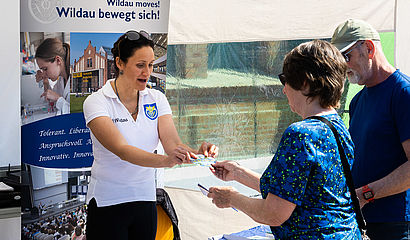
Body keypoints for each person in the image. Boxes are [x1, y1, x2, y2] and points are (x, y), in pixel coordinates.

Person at [208, 40, 360, 239]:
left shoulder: (300, 134)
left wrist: (231, 198)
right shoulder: (338, 127)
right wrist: (238, 173)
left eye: (285, 80)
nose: (283, 89)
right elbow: (292, 190)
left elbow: (273, 213)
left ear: (305, 82)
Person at [82, 30, 218, 240]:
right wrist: (165, 160)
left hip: (145, 201)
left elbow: (173, 144)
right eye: (140, 65)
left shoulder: (156, 98)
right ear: (119, 63)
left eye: (151, 65)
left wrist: (198, 153)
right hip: (108, 203)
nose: (147, 72)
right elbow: (123, 150)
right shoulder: (96, 102)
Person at [331, 19, 410, 240]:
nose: (343, 66)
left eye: (346, 56)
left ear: (369, 48)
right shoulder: (357, 101)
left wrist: (366, 194)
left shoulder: (403, 93)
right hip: (362, 221)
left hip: (396, 224)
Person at [35, 37, 70, 115]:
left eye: (45, 69)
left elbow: (80, 114)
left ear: (58, 60)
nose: (43, 73)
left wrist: (58, 99)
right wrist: (45, 83)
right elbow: (51, 101)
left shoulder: (77, 78)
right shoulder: (61, 80)